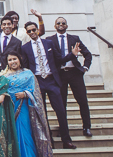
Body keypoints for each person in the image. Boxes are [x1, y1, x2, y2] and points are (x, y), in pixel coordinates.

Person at [5, 51, 63, 157]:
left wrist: (25, 94)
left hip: (24, 107)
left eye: (15, 59)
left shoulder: (29, 74)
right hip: (10, 108)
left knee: (25, 135)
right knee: (14, 138)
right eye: (9, 60)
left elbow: (36, 92)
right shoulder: (4, 76)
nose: (12, 62)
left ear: (20, 59)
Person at [21, 21, 75, 149]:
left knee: (61, 111)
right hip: (38, 81)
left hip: (52, 80)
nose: (32, 32)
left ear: (37, 30)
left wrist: (72, 55)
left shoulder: (48, 43)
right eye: (29, 31)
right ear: (27, 33)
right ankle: (49, 140)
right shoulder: (25, 48)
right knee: (42, 112)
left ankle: (66, 140)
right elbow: (26, 67)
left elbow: (59, 59)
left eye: (34, 30)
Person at [48, 16, 93, 138]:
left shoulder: (74, 38)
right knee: (61, 103)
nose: (61, 24)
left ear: (66, 26)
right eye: (58, 23)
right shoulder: (50, 40)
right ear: (55, 26)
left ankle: (87, 127)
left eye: (63, 23)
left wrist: (85, 67)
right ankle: (64, 129)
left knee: (82, 100)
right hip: (60, 74)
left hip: (75, 73)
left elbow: (87, 54)